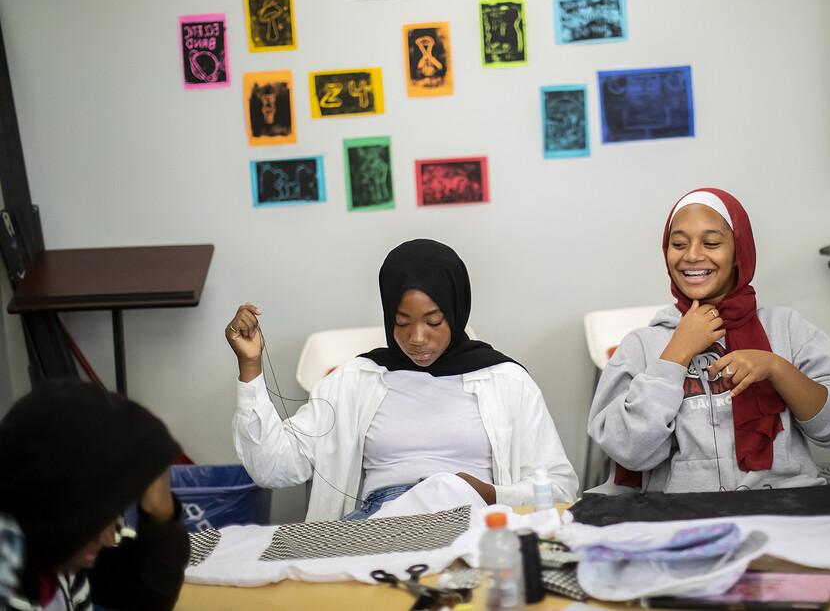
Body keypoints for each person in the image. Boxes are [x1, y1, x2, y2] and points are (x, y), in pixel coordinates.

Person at [227, 238, 578, 521]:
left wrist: (494, 495)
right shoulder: (355, 380)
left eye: (434, 321)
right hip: (382, 520)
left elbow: (560, 488)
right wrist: (250, 366)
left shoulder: (506, 381)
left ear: (456, 312)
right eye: (402, 322)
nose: (418, 338)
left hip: (474, 518)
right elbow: (274, 468)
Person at [588, 188, 830, 492]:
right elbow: (627, 449)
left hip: (785, 507)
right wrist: (674, 354)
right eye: (678, 244)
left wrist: (777, 368)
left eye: (711, 243)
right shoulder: (640, 346)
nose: (692, 255)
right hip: (684, 517)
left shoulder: (787, 327)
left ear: (738, 251)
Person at [0, 380, 189, 611]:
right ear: (49, 501)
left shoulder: (56, 556)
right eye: (96, 520)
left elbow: (149, 596)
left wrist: (160, 513)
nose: (109, 539)